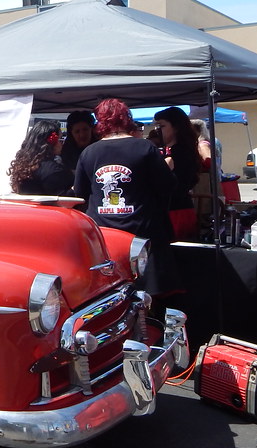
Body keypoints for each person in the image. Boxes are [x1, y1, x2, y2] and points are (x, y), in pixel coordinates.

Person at [72, 98, 178, 302]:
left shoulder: (88, 153)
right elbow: (168, 187)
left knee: (113, 297)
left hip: (106, 237)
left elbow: (80, 195)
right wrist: (168, 168)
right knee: (148, 300)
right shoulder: (144, 148)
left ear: (100, 122)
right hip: (143, 234)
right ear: (125, 119)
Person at [153, 106, 200, 241]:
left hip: (175, 212)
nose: (157, 131)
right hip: (180, 209)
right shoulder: (179, 150)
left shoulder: (178, 152)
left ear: (176, 127)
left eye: (161, 126)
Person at [8, 119, 74, 196]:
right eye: (60, 139)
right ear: (50, 143)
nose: (62, 144)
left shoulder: (24, 166)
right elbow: (64, 198)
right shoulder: (52, 170)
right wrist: (74, 189)